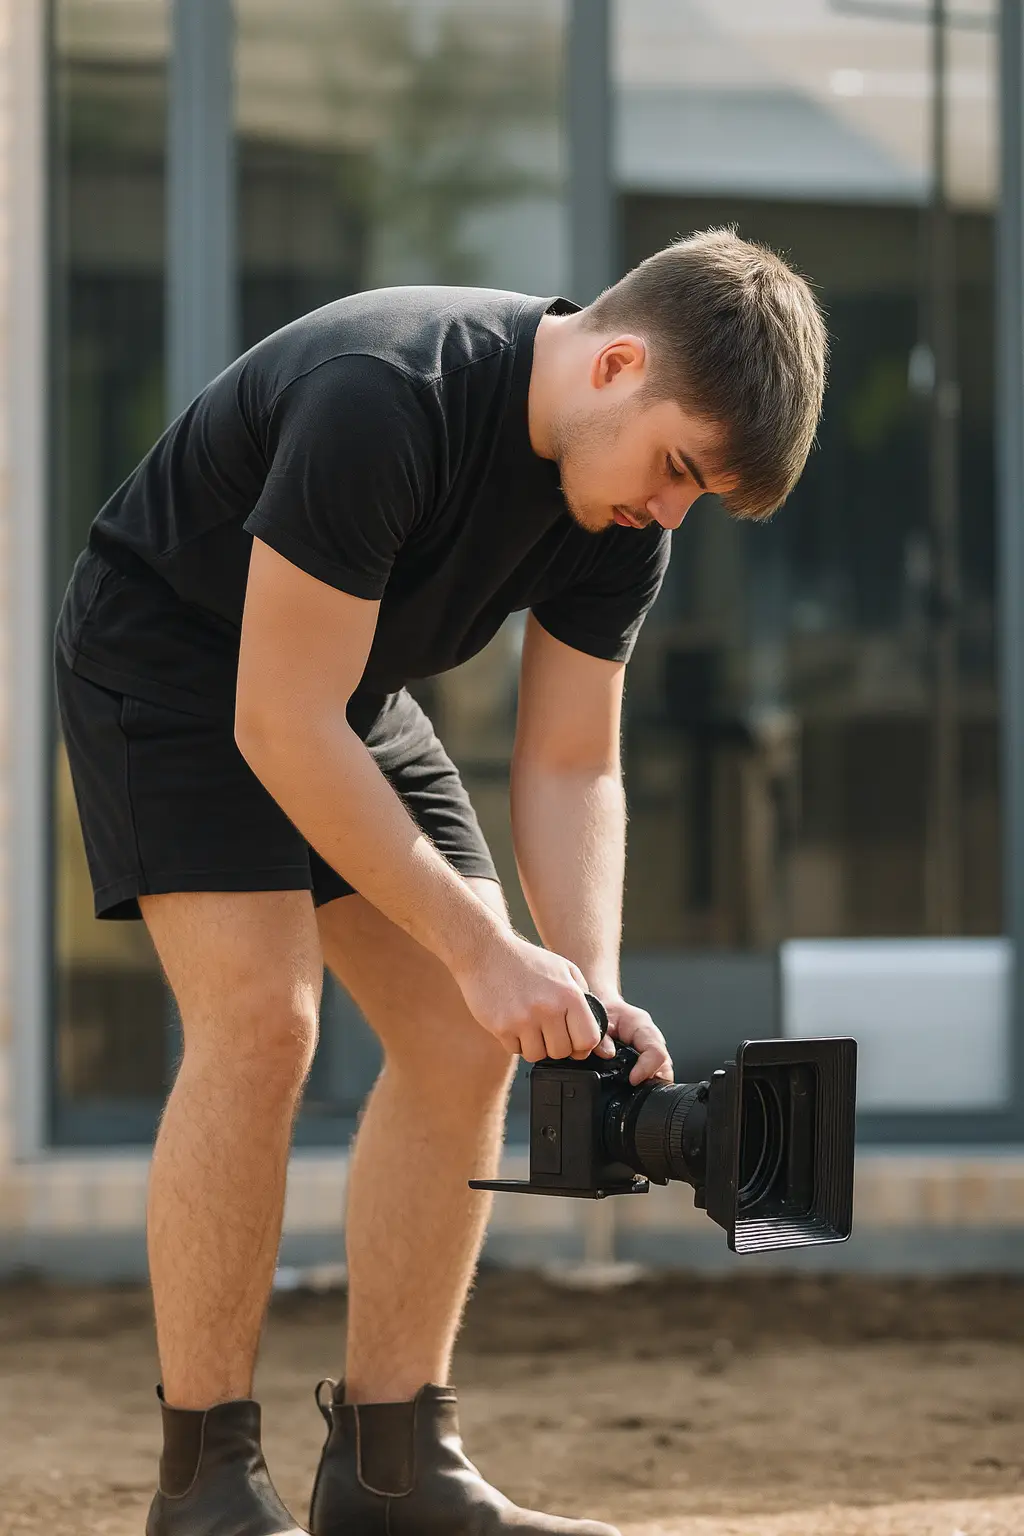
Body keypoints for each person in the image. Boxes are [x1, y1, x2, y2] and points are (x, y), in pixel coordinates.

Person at [55, 227, 827, 1536]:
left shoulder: (624, 506)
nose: (672, 509)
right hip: (173, 663)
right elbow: (276, 722)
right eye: (679, 468)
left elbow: (575, 761)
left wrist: (588, 986)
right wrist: (482, 946)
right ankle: (206, 1487)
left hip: (340, 688)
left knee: (469, 1045)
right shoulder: (387, 401)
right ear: (618, 363)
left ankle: (392, 1472)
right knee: (263, 1023)